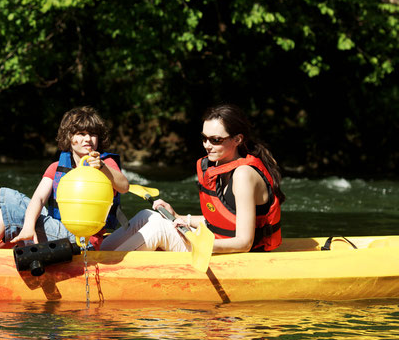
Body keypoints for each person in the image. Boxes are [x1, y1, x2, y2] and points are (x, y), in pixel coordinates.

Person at [101, 103, 284, 253]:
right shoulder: (218, 166)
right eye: (204, 138)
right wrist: (178, 217)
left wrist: (198, 242)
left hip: (235, 253)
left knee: (158, 229)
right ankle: (98, 255)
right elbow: (222, 221)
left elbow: (244, 243)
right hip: (215, 240)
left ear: (237, 139)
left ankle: (107, 272)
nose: (207, 145)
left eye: (215, 140)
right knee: (147, 216)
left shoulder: (244, 175)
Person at [0, 106, 130, 249]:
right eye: (81, 134)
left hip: (83, 242)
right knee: (2, 195)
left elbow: (124, 186)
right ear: (70, 138)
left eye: (92, 134)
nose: (88, 139)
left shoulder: (104, 164)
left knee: (10, 213)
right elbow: (38, 198)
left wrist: (102, 167)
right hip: (58, 229)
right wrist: (28, 226)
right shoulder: (56, 167)